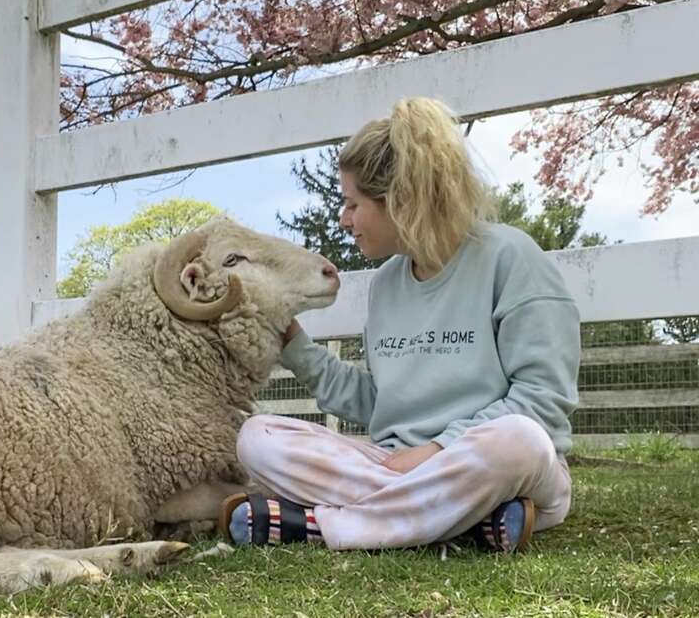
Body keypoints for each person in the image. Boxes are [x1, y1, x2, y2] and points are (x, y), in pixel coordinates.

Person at [219, 96, 580, 553]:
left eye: (353, 204)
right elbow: (381, 402)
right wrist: (295, 345)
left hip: (494, 464)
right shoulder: (387, 283)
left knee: (521, 440)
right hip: (392, 463)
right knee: (258, 438)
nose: (343, 219)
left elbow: (542, 402)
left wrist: (438, 451)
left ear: (401, 201)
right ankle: (468, 522)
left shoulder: (511, 258)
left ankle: (321, 526)